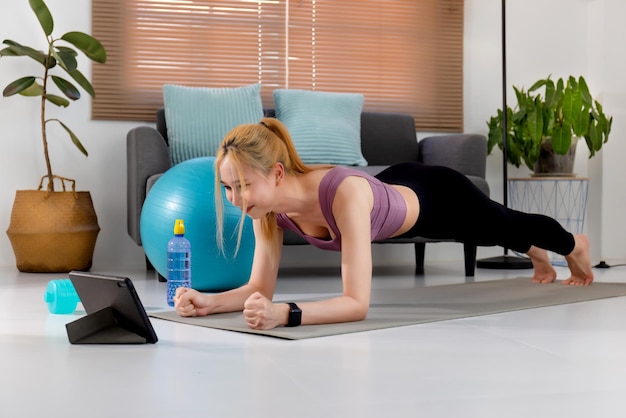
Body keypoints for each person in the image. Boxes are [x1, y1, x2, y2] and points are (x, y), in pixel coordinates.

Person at [174, 118, 594, 330]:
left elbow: (356, 304)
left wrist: (285, 314)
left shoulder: (344, 194)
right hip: (393, 186)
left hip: (435, 195)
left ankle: (574, 244)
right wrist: (209, 302)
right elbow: (257, 289)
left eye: (243, 186)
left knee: (500, 223)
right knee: (497, 230)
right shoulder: (264, 211)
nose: (235, 199)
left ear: (278, 173)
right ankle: (535, 251)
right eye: (228, 188)